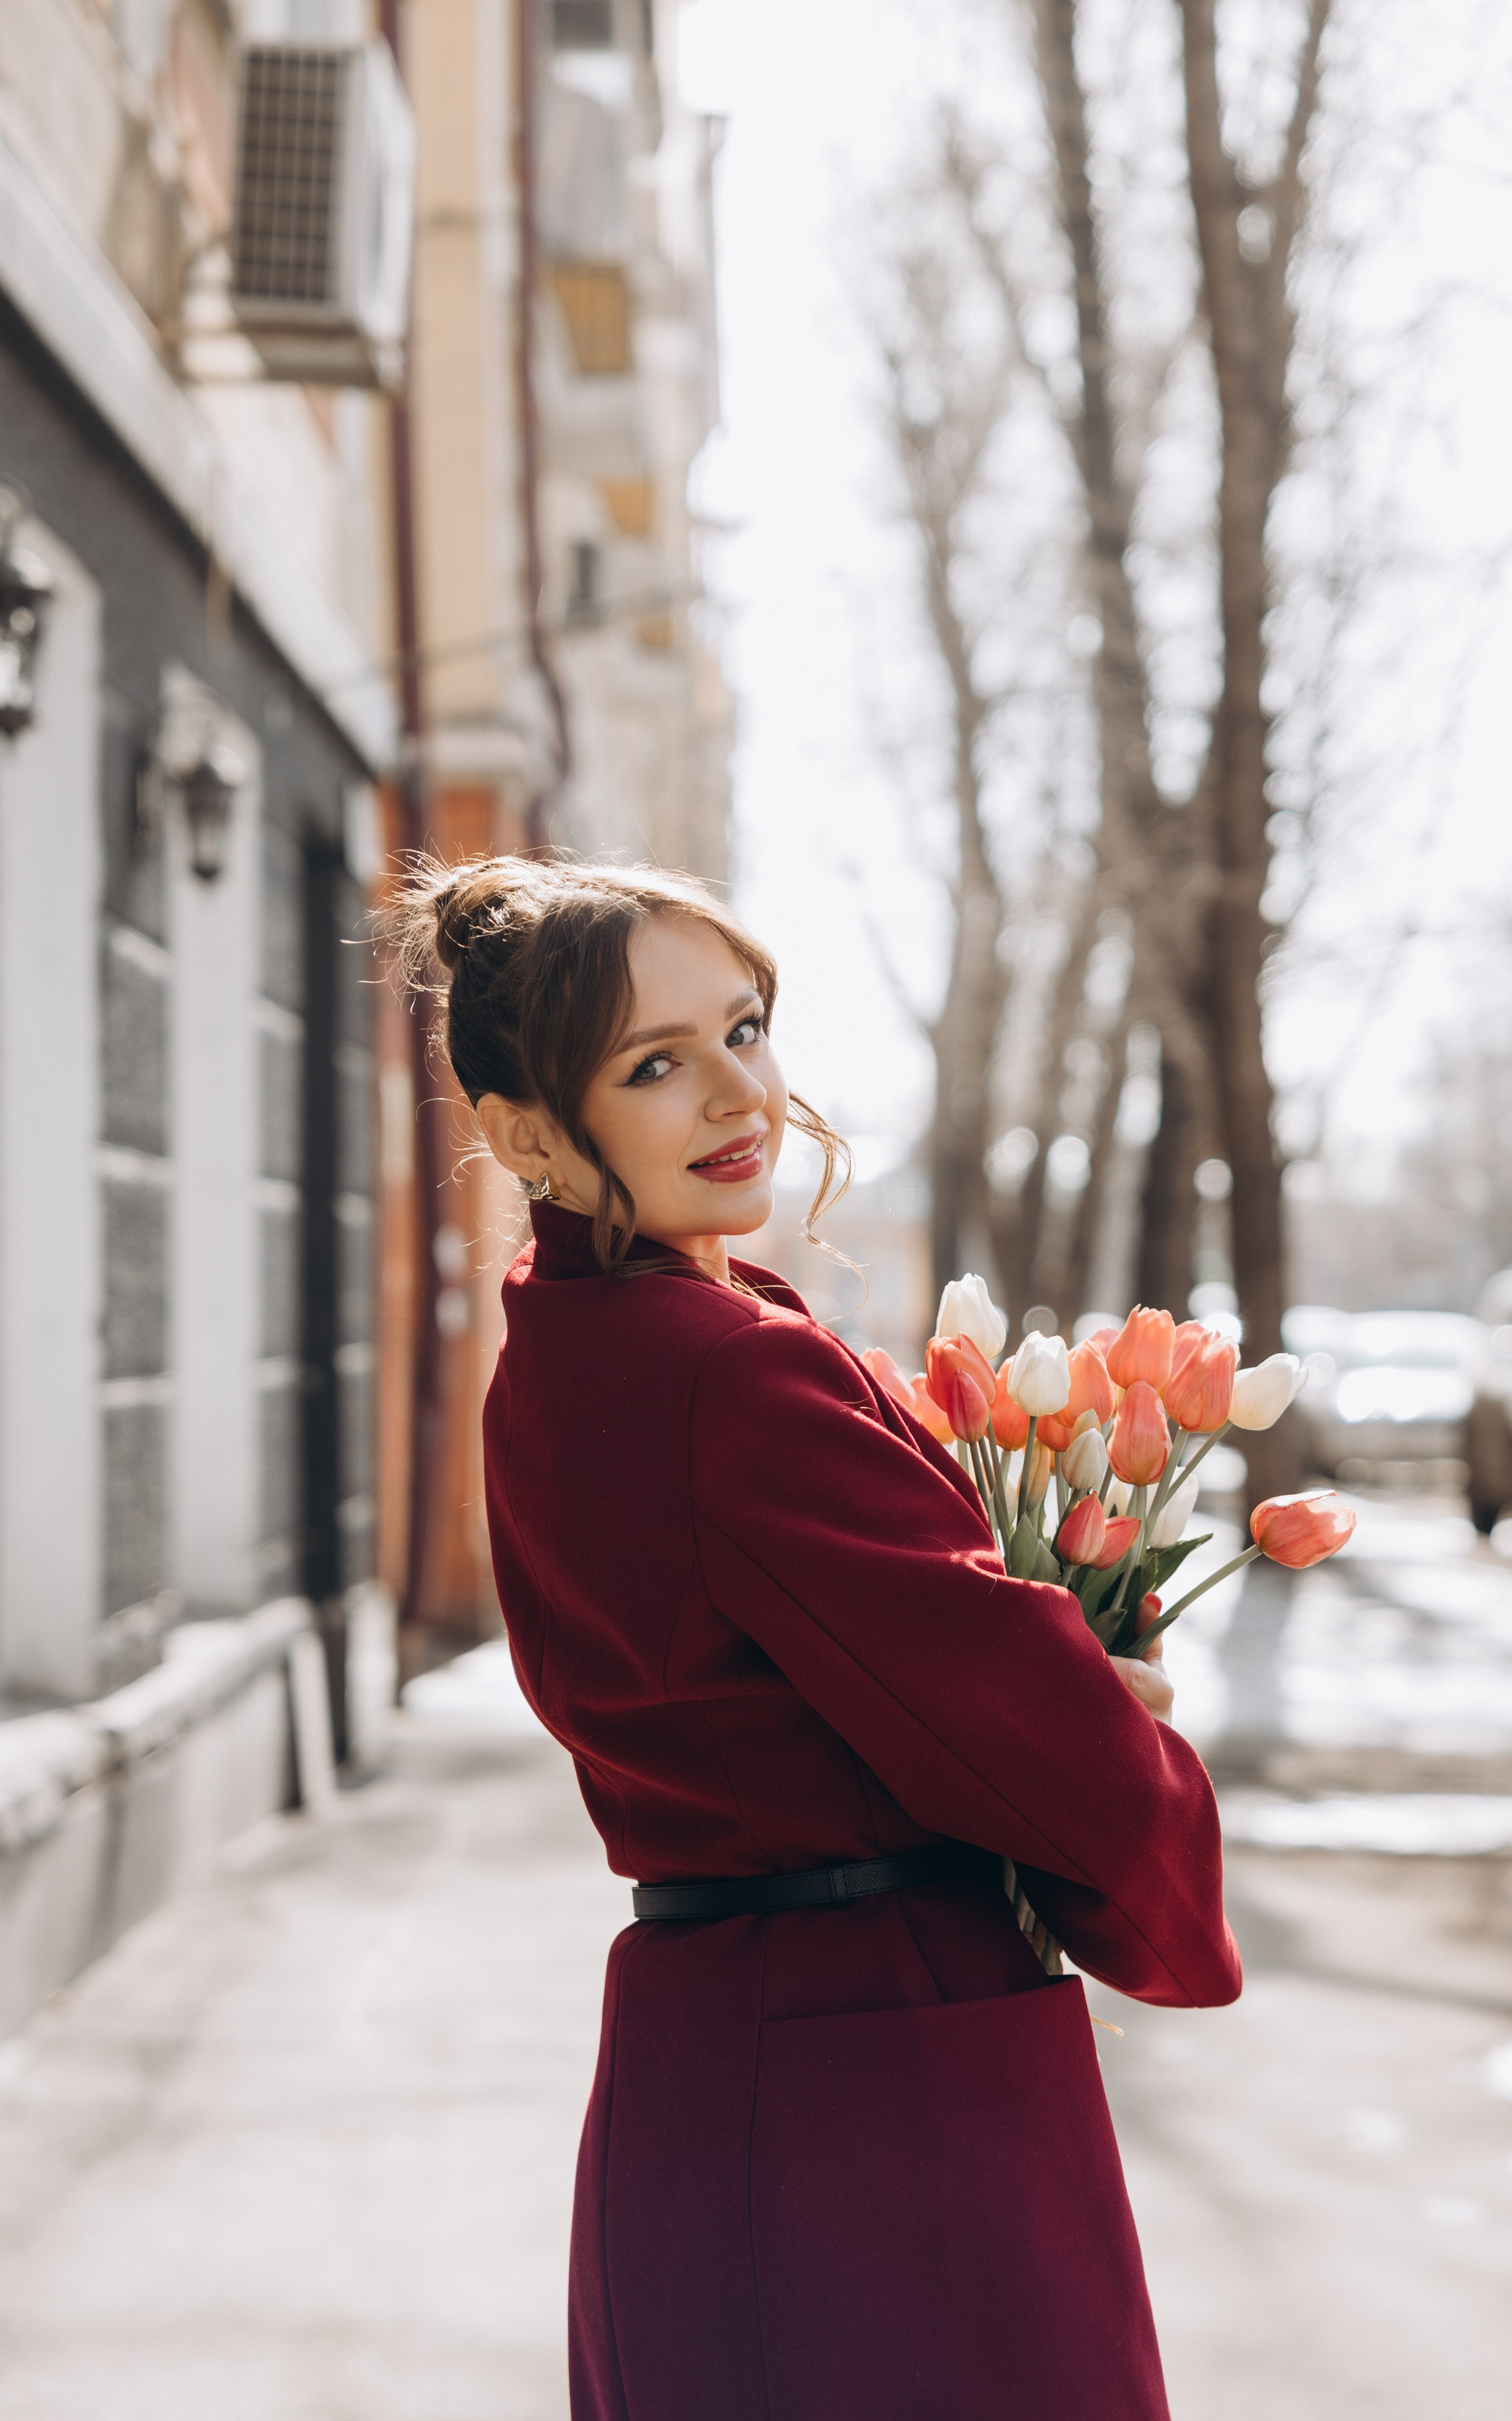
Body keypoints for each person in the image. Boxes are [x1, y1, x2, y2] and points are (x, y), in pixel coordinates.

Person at [385, 855, 1240, 2421]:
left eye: (746, 1029)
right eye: (655, 1064)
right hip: (877, 2074)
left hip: (711, 2052)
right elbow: (1024, 1734)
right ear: (521, 1138)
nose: (738, 1093)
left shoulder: (563, 1353)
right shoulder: (721, 1372)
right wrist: (1121, 1738)